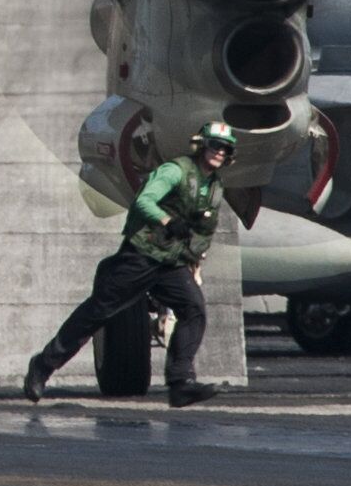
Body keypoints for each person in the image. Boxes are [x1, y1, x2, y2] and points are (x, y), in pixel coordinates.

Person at [23, 121, 236, 408]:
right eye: (214, 145)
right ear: (201, 146)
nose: (218, 153)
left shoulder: (214, 187)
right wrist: (168, 221)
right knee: (97, 312)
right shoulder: (175, 171)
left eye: (224, 149)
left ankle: (180, 382)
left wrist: (194, 260)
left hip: (171, 262)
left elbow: (203, 231)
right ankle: (42, 366)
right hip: (141, 255)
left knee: (194, 310)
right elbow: (144, 202)